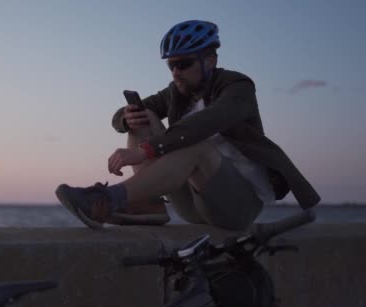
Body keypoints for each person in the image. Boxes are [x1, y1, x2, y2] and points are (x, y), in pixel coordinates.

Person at [55, 20, 320, 231]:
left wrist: (146, 150)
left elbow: (208, 122)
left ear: (210, 61)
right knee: (142, 113)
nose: (175, 72)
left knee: (197, 144)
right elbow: (120, 116)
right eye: (171, 65)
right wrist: (125, 118)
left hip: (238, 206)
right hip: (193, 201)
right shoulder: (176, 92)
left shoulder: (237, 87)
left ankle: (108, 198)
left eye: (183, 64)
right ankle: (149, 205)